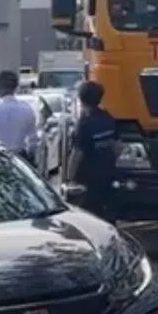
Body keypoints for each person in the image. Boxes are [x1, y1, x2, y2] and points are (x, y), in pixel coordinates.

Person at [66, 80, 118, 222]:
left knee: (88, 217)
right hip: (108, 175)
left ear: (81, 99)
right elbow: (118, 146)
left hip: (88, 179)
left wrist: (69, 178)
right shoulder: (108, 118)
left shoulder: (84, 124)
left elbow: (77, 154)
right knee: (107, 215)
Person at [0, 70, 39, 165]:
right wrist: (31, 157)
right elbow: (33, 140)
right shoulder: (26, 110)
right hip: (20, 159)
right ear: (15, 87)